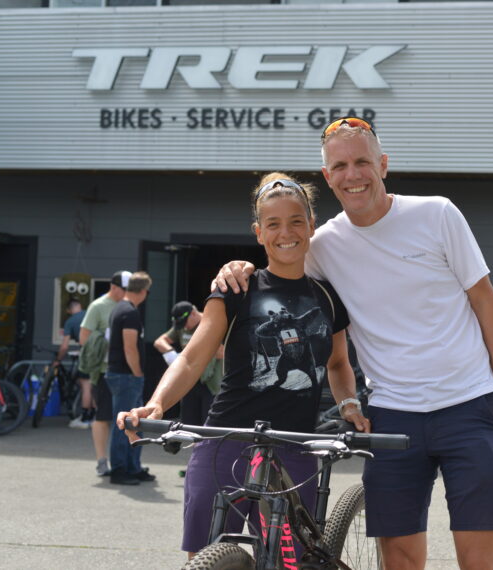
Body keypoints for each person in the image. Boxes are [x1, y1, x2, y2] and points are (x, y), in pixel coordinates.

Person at [214, 117, 493, 570]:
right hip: (392, 412)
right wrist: (236, 267)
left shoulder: (437, 213)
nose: (353, 174)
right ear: (327, 176)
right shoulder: (322, 246)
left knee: (478, 555)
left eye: (362, 161)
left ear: (383, 164)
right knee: (397, 557)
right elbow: (280, 259)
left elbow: (485, 300)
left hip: (469, 404)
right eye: (340, 165)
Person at [119, 173, 365, 560]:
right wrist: (157, 404)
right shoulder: (237, 288)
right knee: (208, 558)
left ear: (312, 226)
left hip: (294, 447)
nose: (286, 232)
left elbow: (337, 363)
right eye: (273, 224)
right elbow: (192, 357)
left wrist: (349, 403)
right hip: (224, 441)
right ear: (259, 232)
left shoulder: (328, 297)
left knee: (291, 561)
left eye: (296, 221)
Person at [78, 270, 130, 476]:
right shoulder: (98, 306)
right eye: (124, 289)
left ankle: (126, 462)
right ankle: (101, 460)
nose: (127, 293)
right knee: (103, 416)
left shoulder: (127, 303)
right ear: (114, 287)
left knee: (127, 417)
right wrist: (105, 336)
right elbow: (83, 339)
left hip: (124, 370)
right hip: (103, 370)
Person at [106, 270, 155, 486]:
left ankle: (132, 467)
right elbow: (130, 348)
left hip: (122, 375)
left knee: (136, 424)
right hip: (126, 376)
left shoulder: (122, 308)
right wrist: (138, 373)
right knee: (126, 424)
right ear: (143, 291)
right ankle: (119, 469)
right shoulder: (129, 312)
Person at [153, 301, 223, 426]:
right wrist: (171, 354)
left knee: (208, 424)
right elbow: (159, 342)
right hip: (189, 381)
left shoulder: (211, 323)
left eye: (185, 323)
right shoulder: (182, 328)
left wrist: (198, 349)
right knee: (189, 424)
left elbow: (222, 353)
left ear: (193, 314)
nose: (184, 327)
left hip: (210, 383)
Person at [57, 299, 91, 429]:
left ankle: (85, 418)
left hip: (86, 353)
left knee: (85, 384)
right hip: (100, 353)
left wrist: (58, 359)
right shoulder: (90, 314)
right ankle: (94, 417)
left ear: (68, 310)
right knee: (93, 384)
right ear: (80, 306)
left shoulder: (70, 321)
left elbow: (64, 346)